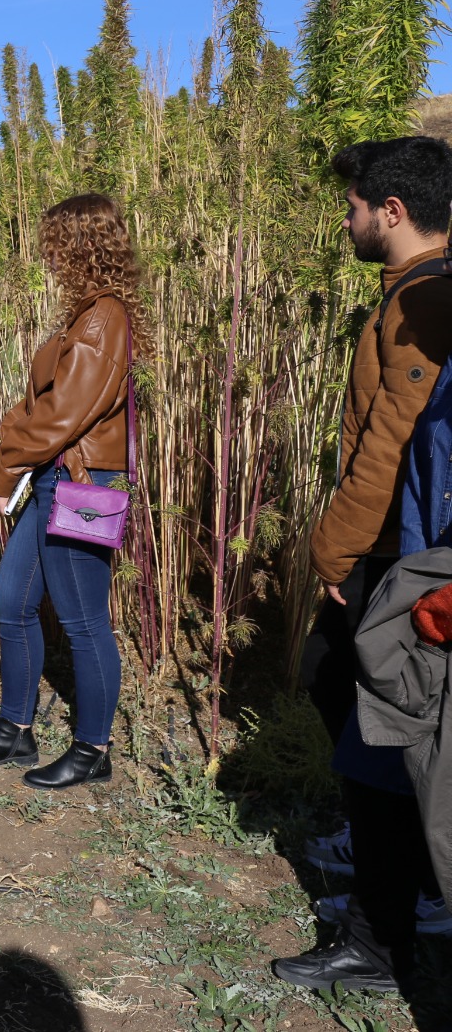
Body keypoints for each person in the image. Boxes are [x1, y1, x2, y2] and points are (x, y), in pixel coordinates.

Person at [273, 136, 452, 994]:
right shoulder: (405, 296)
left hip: (398, 557)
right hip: (388, 550)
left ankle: (385, 933)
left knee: (380, 739)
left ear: (392, 212)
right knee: (330, 682)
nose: (343, 222)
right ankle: (398, 863)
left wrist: (335, 548)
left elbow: (391, 443)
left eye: (351, 208)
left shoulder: (426, 302)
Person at [0, 193, 144, 790]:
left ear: (84, 245)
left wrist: (6, 463)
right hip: (56, 477)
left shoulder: (103, 316)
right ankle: (15, 730)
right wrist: (17, 439)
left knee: (84, 619)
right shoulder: (86, 315)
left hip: (80, 483)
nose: (48, 254)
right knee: (12, 600)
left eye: (57, 242)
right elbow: (45, 403)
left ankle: (93, 749)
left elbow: (62, 415)